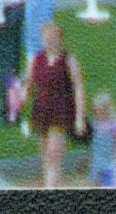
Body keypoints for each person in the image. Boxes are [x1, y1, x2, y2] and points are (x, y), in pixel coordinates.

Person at [22, 24, 86, 190]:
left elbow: (78, 87)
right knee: (44, 154)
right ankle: (49, 184)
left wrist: (79, 117)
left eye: (52, 38)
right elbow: (29, 85)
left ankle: (51, 186)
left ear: (59, 38)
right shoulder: (36, 59)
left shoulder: (68, 60)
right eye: (46, 38)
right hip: (41, 109)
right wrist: (20, 96)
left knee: (53, 154)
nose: (48, 41)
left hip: (60, 110)